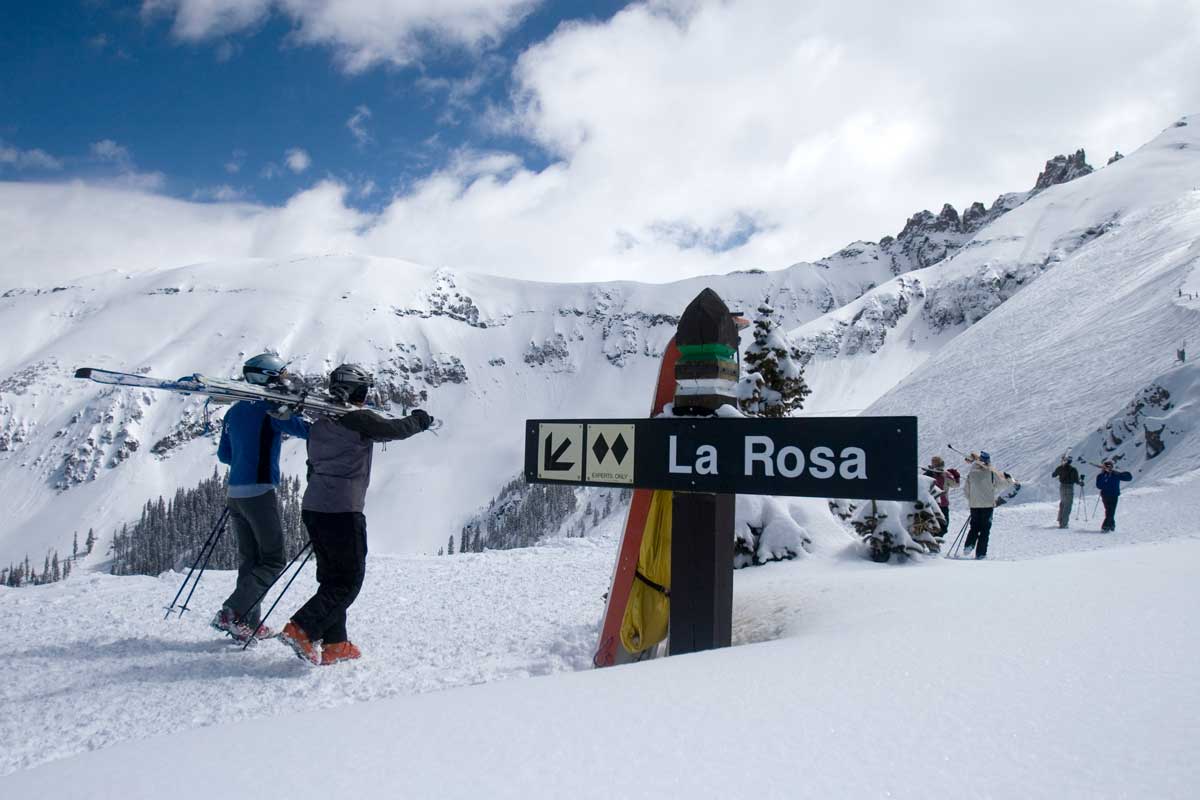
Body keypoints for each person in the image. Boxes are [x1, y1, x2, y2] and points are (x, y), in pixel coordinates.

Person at [279, 363, 433, 666]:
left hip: (315, 508)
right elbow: (393, 429)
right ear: (355, 391)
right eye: (363, 390)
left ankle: (336, 643)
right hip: (342, 510)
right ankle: (301, 628)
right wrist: (419, 420)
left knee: (332, 579)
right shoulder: (357, 419)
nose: (365, 396)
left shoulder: (321, 421)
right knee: (349, 580)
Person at [212, 353, 310, 642]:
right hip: (259, 492)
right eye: (280, 375)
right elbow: (304, 430)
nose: (284, 380)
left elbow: (224, 455)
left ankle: (245, 624)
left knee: (250, 560)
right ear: (266, 377)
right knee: (273, 560)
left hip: (235, 492)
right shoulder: (270, 409)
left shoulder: (234, 410)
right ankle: (232, 612)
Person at [961, 451, 1018, 560]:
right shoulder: (991, 473)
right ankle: (981, 554)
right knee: (985, 530)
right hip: (987, 505)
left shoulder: (971, 474)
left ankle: (968, 546)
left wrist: (972, 500)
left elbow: (966, 490)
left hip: (974, 505)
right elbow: (1001, 485)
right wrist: (1009, 479)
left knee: (974, 527)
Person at [921, 455, 960, 536]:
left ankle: (934, 539)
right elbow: (956, 485)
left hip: (931, 505)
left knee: (931, 525)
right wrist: (956, 476)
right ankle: (937, 540)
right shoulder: (945, 475)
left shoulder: (927, 474)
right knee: (943, 526)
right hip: (942, 505)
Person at [1095, 460, 1133, 532]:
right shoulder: (1101, 476)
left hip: (1114, 495)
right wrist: (1105, 476)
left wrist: (1116, 473)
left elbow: (1129, 478)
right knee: (1110, 510)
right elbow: (1099, 486)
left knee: (1110, 510)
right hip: (1105, 495)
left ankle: (1111, 525)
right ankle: (1106, 526)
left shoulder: (1115, 474)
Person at [1050, 455, 1083, 528]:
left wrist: (1059, 468)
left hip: (1062, 487)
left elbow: (1053, 475)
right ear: (1071, 461)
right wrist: (1081, 482)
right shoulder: (1073, 469)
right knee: (1068, 505)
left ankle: (1060, 520)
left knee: (1063, 503)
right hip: (1069, 487)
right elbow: (1077, 481)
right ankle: (1064, 524)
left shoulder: (1060, 468)